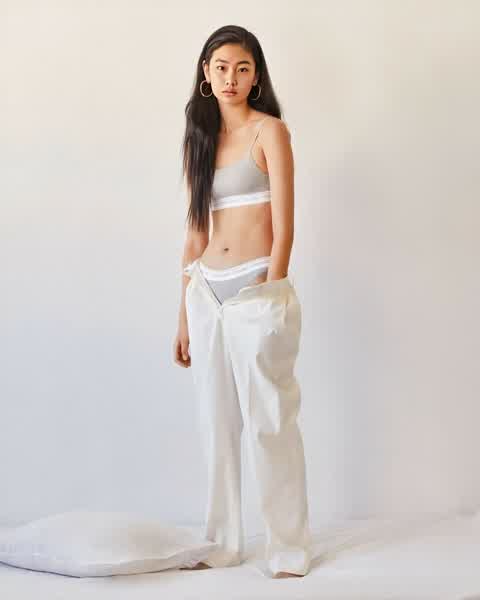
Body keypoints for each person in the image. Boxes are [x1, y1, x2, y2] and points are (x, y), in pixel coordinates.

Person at [173, 25, 313, 579]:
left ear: (256, 77)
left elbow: (285, 229)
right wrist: (183, 314)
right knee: (216, 424)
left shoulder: (269, 132)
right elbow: (194, 234)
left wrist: (272, 292)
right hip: (206, 292)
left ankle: (288, 549)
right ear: (206, 75)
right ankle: (223, 543)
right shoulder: (200, 139)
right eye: (221, 67)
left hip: (257, 292)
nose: (231, 77)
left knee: (270, 422)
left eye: (243, 68)